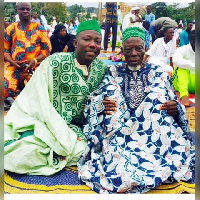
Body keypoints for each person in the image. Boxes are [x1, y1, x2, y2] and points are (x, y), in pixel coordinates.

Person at [77, 26, 195, 194]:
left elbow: (171, 100)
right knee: (111, 103)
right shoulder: (112, 71)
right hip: (119, 130)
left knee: (157, 101)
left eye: (138, 49)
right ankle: (121, 160)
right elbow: (96, 99)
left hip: (152, 131)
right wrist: (99, 105)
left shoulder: (157, 72)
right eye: (128, 49)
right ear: (122, 51)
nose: (133, 53)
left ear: (145, 49)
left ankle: (151, 160)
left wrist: (176, 108)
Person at [4, 20, 109, 176]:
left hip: (82, 128)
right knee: (24, 152)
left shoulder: (103, 68)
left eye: (97, 41)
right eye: (87, 39)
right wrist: (58, 128)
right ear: (75, 43)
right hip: (49, 122)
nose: (92, 44)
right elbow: (35, 96)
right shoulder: (55, 62)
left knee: (98, 150)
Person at [4, 2, 51, 100]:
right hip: (14, 66)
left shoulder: (40, 29)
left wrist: (34, 60)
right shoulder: (11, 28)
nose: (25, 11)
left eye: (27, 9)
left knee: (41, 92)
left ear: (30, 11)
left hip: (35, 66)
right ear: (17, 10)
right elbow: (5, 50)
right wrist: (12, 61)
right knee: (5, 87)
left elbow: (46, 50)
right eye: (22, 9)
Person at [172, 30, 195, 107]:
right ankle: (184, 97)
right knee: (182, 68)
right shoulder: (183, 49)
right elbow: (175, 60)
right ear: (192, 41)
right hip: (181, 84)